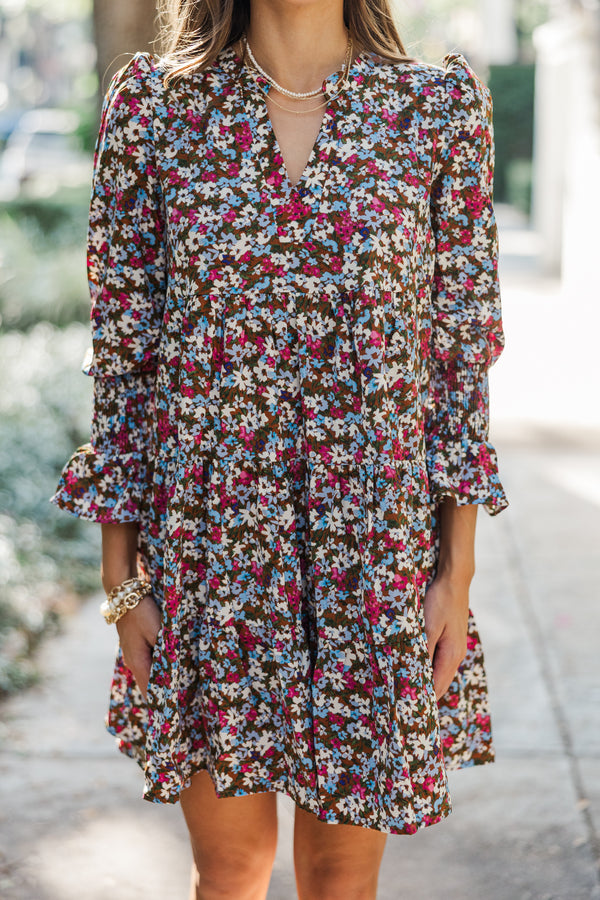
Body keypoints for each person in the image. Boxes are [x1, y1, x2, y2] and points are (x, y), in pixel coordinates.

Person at [50, 0, 509, 897]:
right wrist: (122, 579)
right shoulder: (155, 111)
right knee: (230, 869)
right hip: (213, 556)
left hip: (370, 560)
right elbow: (125, 356)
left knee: (340, 879)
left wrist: (455, 576)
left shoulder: (437, 113)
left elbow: (458, 364)